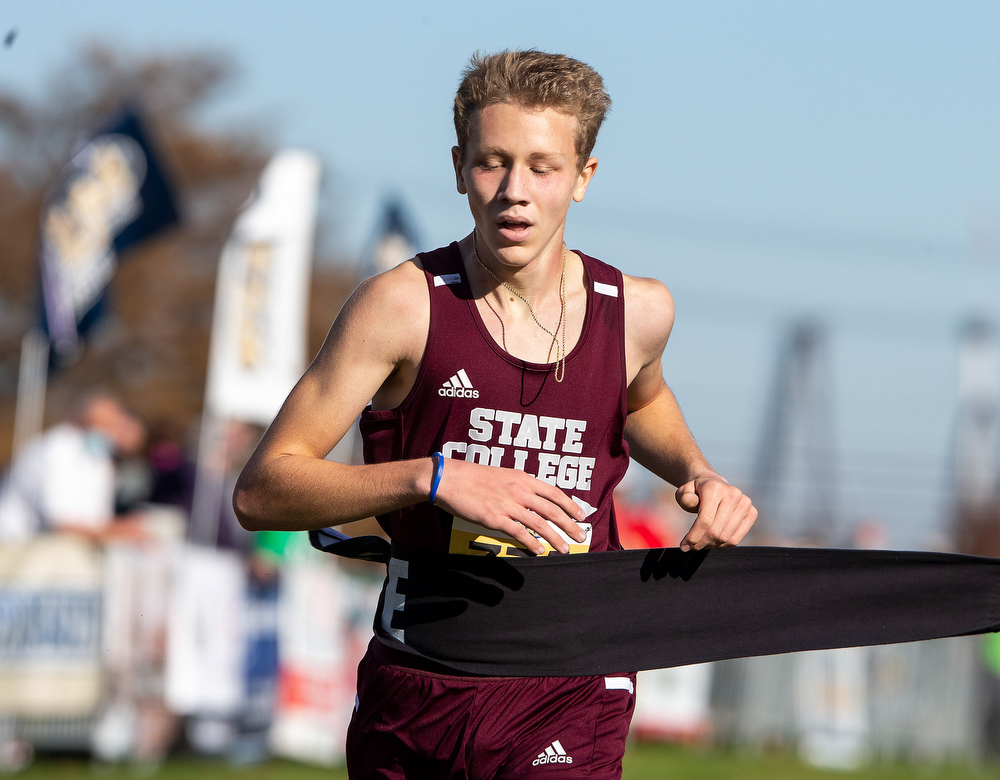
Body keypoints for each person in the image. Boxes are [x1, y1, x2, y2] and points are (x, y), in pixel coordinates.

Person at [235, 50, 757, 779]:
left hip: (571, 675)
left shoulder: (637, 311)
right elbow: (262, 491)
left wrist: (697, 471)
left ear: (584, 177)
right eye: (493, 163)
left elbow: (641, 399)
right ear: (458, 168)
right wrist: (432, 478)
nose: (515, 191)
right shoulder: (401, 305)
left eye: (543, 167)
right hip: (421, 677)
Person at [0, 392, 148, 543]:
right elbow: (60, 523)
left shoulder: (99, 460)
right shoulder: (54, 449)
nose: (113, 436)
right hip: (16, 546)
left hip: (52, 549)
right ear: (83, 422)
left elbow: (97, 519)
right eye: (106, 427)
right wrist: (118, 531)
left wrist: (126, 528)